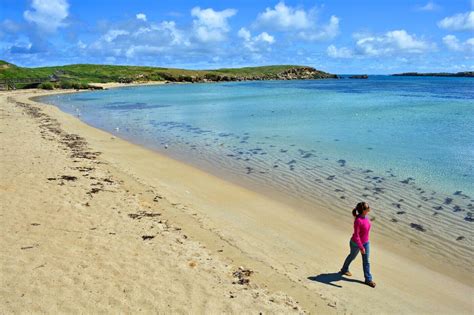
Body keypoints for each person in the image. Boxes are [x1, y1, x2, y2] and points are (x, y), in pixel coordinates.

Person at [340, 202, 376, 288]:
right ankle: (344, 269)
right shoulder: (358, 221)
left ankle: (368, 280)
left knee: (366, 261)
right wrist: (361, 247)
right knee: (352, 256)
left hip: (366, 243)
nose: (369, 208)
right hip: (355, 243)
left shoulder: (365, 218)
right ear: (363, 210)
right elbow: (356, 236)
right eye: (368, 207)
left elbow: (365, 228)